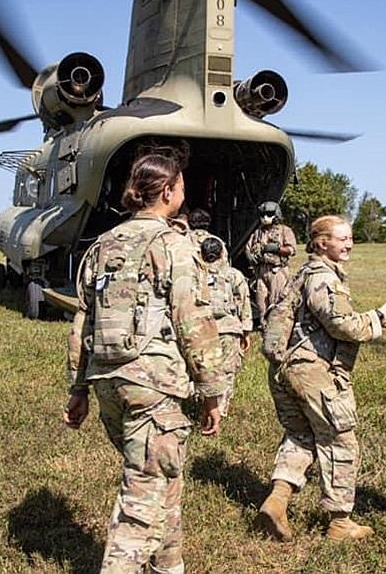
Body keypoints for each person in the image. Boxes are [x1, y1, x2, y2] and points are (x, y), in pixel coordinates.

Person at [62, 152, 225, 574]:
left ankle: (168, 567)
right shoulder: (173, 244)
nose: (183, 196)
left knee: (161, 480)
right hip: (152, 385)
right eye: (183, 188)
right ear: (167, 192)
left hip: (107, 381)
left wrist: (79, 389)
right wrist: (212, 391)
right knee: (143, 494)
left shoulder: (103, 245)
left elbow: (84, 320)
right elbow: (193, 318)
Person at [257, 215, 386, 542]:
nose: (348, 244)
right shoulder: (322, 277)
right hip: (313, 372)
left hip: (285, 370)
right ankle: (339, 522)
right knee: (340, 441)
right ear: (321, 243)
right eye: (341, 238)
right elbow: (341, 324)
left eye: (350, 238)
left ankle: (276, 501)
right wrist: (378, 319)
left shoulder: (302, 272)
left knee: (300, 436)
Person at [198, 235, 253, 417]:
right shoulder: (233, 275)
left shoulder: (195, 274)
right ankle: (220, 410)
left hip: (202, 330)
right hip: (228, 329)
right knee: (227, 371)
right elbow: (244, 302)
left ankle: (204, 405)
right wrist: (246, 331)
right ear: (222, 253)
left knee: (203, 369)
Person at [245, 201, 297, 325]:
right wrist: (250, 257)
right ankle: (264, 325)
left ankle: (278, 326)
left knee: (277, 299)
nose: (265, 218)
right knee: (261, 301)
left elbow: (292, 250)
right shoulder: (257, 233)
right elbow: (247, 247)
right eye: (262, 215)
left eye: (268, 214)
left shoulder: (285, 231)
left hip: (277, 271)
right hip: (261, 272)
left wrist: (277, 249)